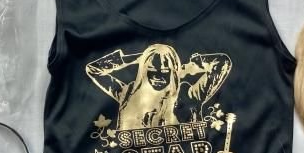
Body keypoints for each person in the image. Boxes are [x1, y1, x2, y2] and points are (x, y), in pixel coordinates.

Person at [86, 44, 231, 129]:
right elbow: (93, 69)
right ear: (144, 70)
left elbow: (222, 62)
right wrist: (139, 57)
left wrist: (199, 61)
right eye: (151, 69)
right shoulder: (128, 93)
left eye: (165, 71)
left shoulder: (188, 94)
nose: (158, 76)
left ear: (173, 71)